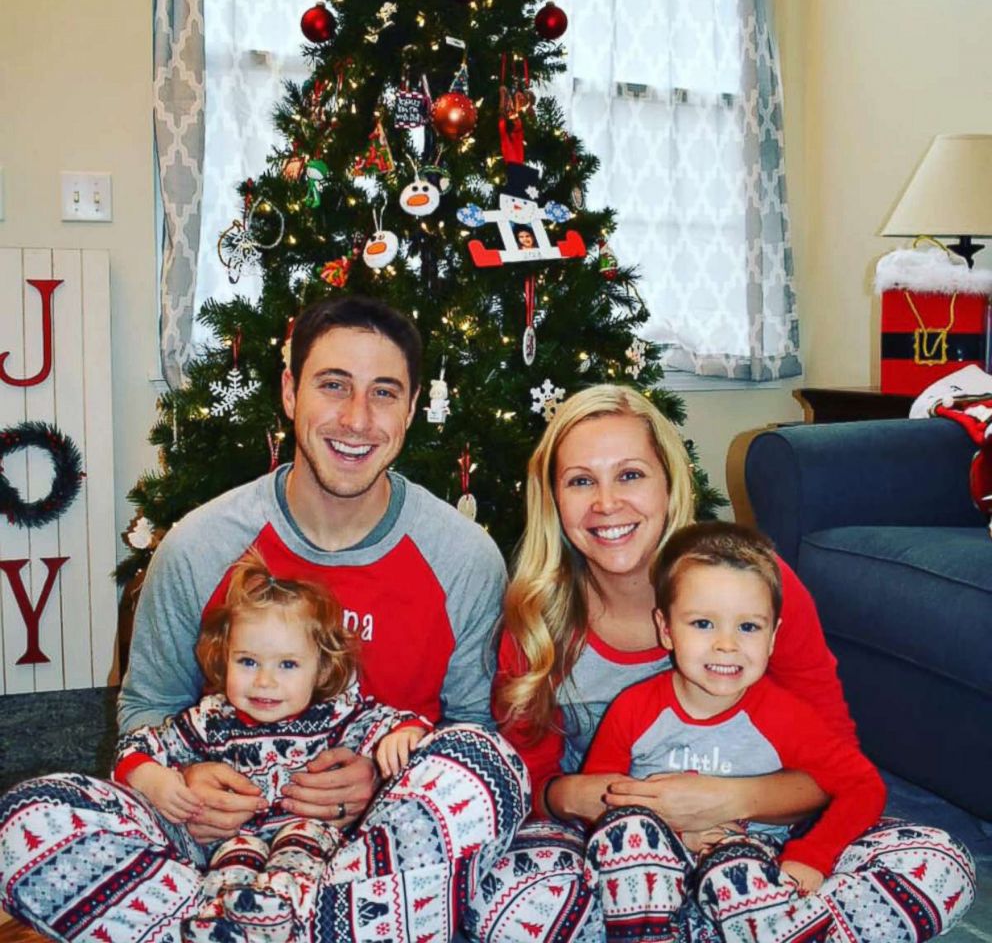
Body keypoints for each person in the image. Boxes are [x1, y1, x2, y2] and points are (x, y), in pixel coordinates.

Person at [0, 295, 528, 943]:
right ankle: (220, 921)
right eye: (333, 385)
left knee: (489, 767)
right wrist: (186, 782)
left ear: (413, 409)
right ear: (289, 391)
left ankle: (297, 924)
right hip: (213, 845)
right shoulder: (200, 544)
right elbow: (146, 709)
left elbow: (466, 737)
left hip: (383, 862)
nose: (357, 419)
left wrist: (386, 780)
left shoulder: (463, 558)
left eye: (384, 393)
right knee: (28, 823)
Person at [468, 384, 975, 943]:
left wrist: (729, 800)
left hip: (764, 843)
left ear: (670, 481)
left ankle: (734, 923)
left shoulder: (758, 586)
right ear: (554, 498)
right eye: (581, 480)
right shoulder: (537, 618)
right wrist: (580, 797)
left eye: (631, 475)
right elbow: (527, 789)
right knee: (509, 907)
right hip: (616, 854)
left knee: (938, 864)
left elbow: (837, 766)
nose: (606, 503)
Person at [582, 521, 887, 942]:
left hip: (749, 879)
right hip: (649, 881)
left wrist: (811, 856)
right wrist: (670, 833)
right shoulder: (634, 709)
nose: (727, 645)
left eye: (748, 627)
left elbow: (863, 785)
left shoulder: (785, 715)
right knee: (625, 837)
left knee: (936, 862)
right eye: (703, 624)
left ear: (774, 636)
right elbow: (600, 801)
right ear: (666, 629)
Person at [115, 550, 431, 942]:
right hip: (232, 838)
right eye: (248, 662)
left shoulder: (335, 714)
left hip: (310, 839)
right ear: (224, 658)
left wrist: (403, 735)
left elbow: (396, 723)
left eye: (287, 665)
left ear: (322, 668)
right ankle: (218, 924)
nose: (264, 682)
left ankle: (290, 922)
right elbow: (142, 743)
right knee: (232, 861)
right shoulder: (211, 719)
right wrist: (148, 776)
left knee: (301, 841)